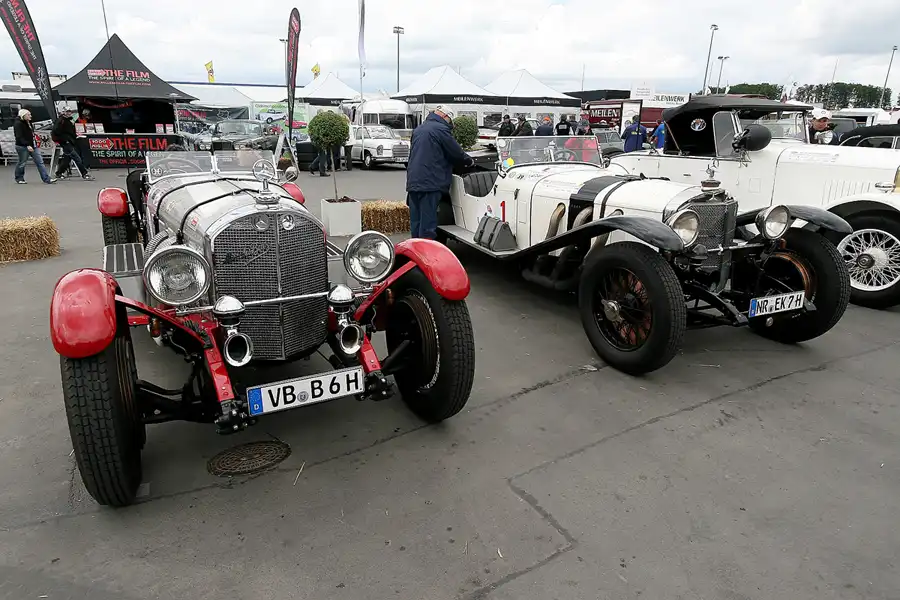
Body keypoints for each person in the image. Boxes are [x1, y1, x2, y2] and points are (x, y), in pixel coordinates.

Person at [406, 106, 473, 239]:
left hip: (414, 180)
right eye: (450, 121)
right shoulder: (441, 130)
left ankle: (415, 253)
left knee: (416, 222)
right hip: (430, 182)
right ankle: (426, 257)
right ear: (445, 116)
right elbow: (456, 153)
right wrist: (469, 161)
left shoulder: (419, 129)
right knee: (427, 226)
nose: (449, 125)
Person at [13, 109, 54, 185]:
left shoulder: (29, 122)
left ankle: (46, 178)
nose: (30, 116)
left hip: (33, 145)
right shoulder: (18, 124)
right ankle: (19, 178)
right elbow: (19, 136)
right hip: (22, 146)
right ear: (23, 115)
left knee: (40, 162)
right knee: (22, 162)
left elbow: (31, 133)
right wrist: (27, 145)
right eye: (28, 115)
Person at [51, 108, 94, 180]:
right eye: (67, 112)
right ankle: (84, 174)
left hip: (70, 141)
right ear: (63, 112)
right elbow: (56, 132)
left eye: (69, 111)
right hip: (66, 142)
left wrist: (75, 136)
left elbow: (70, 132)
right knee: (77, 158)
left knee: (67, 158)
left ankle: (59, 173)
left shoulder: (69, 120)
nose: (69, 113)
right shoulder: (61, 120)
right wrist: (64, 140)